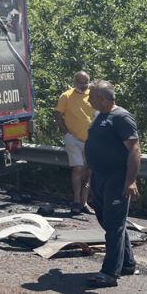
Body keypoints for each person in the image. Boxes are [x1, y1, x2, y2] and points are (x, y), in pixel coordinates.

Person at [84, 80, 141, 288]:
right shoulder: (100, 116)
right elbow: (95, 147)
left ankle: (109, 273)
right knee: (109, 221)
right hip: (99, 176)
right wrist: (89, 175)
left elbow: (134, 150)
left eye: (91, 96)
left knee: (114, 226)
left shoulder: (121, 117)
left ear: (102, 98)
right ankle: (127, 263)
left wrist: (131, 180)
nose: (88, 99)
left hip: (117, 177)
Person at [54, 71, 94, 215]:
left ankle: (84, 202)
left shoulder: (93, 95)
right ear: (74, 82)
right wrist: (66, 133)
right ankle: (76, 200)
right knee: (78, 168)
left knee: (88, 171)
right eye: (80, 82)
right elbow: (58, 115)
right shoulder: (66, 96)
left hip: (91, 140)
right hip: (74, 139)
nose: (83, 85)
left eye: (86, 82)